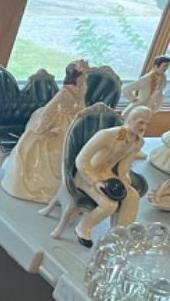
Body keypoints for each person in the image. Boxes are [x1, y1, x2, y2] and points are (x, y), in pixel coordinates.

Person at [62, 105, 151, 246]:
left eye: (147, 123)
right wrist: (95, 181)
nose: (143, 127)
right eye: (140, 122)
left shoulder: (137, 142)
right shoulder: (106, 135)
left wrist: (124, 180)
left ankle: (120, 235)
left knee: (132, 196)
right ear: (129, 119)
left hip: (108, 175)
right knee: (109, 204)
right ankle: (83, 227)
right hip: (87, 175)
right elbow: (81, 160)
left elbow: (124, 166)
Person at [1, 60, 87, 203]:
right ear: (75, 76)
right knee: (56, 151)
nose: (84, 78)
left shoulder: (82, 88)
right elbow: (50, 109)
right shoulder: (66, 92)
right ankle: (46, 186)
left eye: (85, 76)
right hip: (58, 123)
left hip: (73, 122)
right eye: (82, 76)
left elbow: (82, 106)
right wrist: (43, 127)